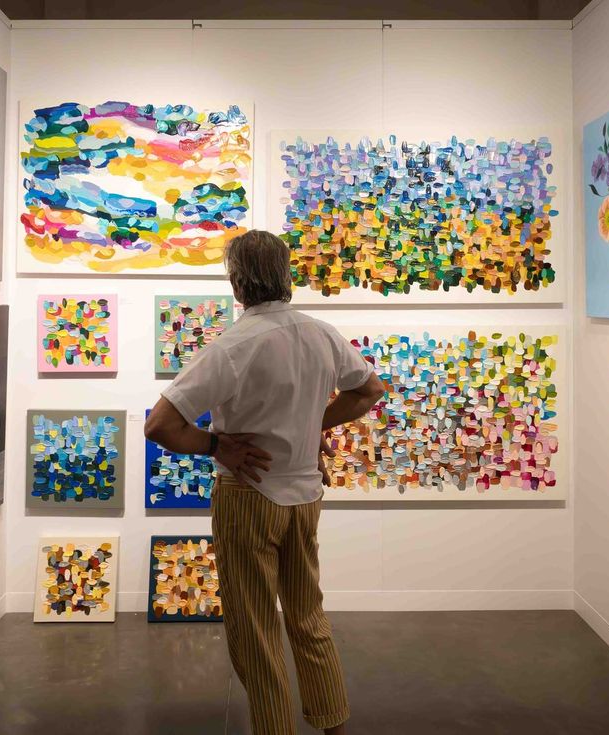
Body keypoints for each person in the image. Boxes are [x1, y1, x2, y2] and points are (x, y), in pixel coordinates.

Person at [144, 229, 385, 735]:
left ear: (237, 282)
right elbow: (368, 392)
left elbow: (160, 425)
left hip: (247, 496)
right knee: (308, 619)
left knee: (256, 633)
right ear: (286, 275)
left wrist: (216, 445)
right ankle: (334, 725)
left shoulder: (234, 345)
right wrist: (312, 425)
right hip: (305, 496)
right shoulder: (321, 333)